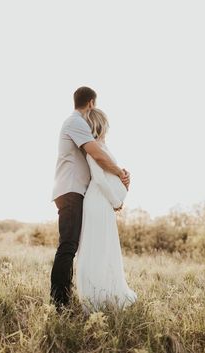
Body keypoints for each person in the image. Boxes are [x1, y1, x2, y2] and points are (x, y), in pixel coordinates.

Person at [50, 86, 130, 312]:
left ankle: (66, 296)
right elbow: (97, 155)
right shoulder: (76, 122)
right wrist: (121, 173)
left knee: (72, 246)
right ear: (91, 103)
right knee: (68, 246)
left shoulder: (74, 123)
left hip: (75, 191)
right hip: (71, 190)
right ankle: (59, 303)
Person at [75, 108, 138, 313]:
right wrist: (115, 201)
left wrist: (123, 177)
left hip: (103, 201)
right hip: (98, 201)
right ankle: (94, 298)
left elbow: (109, 174)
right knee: (96, 248)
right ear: (101, 124)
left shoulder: (102, 145)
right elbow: (99, 178)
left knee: (105, 248)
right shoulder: (93, 148)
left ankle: (107, 293)